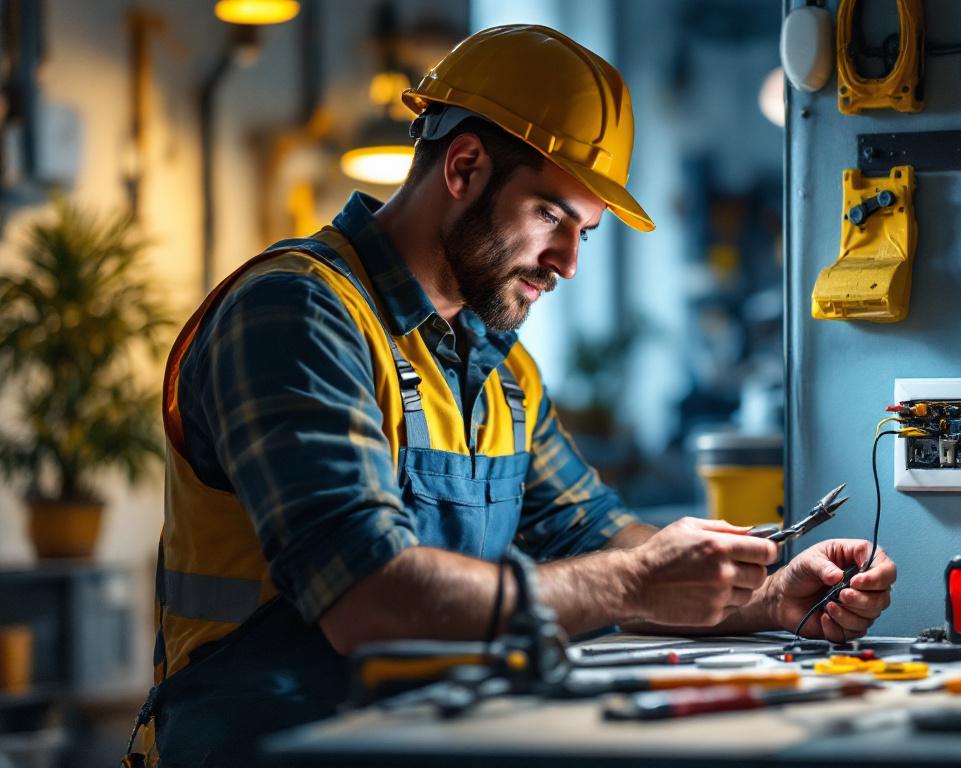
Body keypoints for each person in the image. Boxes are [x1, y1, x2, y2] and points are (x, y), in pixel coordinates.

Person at [129, 24, 896, 766]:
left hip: (422, 743)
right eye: (551, 216)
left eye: (584, 232)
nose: (566, 262)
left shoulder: (498, 369)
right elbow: (369, 599)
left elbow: (590, 537)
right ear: (462, 168)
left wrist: (766, 598)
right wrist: (634, 579)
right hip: (264, 747)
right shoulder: (299, 314)